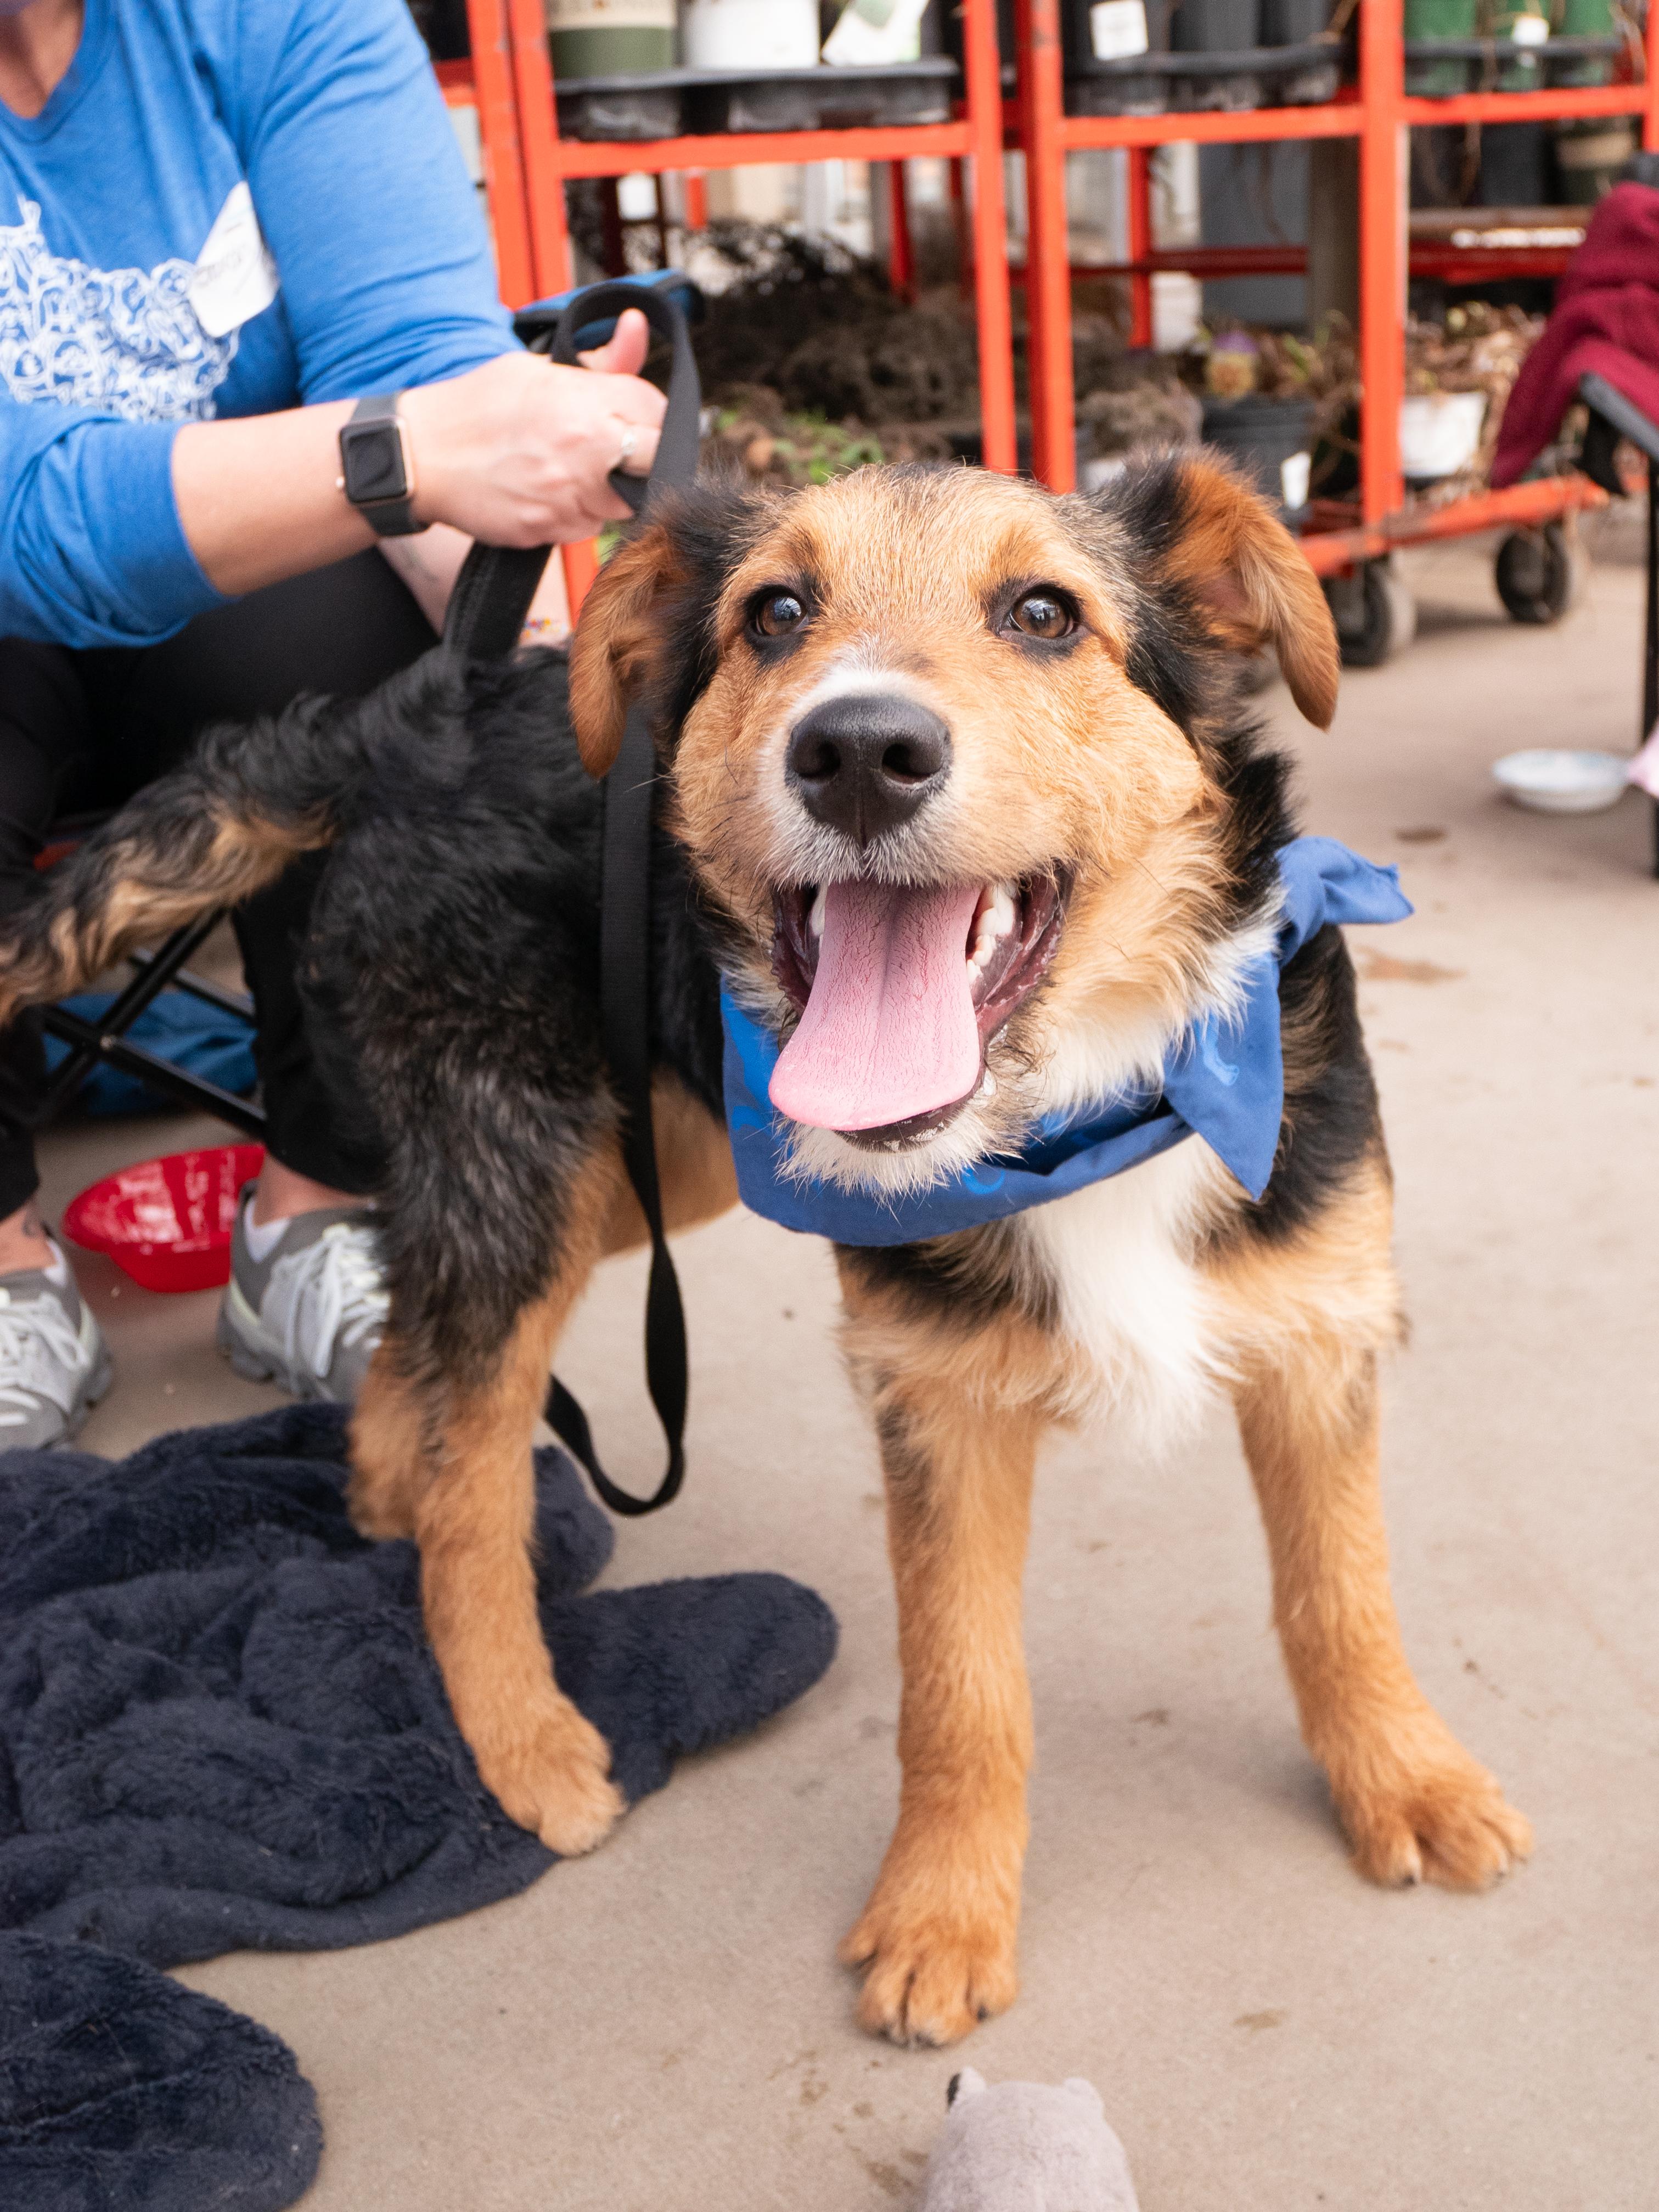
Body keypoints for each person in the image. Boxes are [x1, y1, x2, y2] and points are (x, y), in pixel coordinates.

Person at [0, 0, 665, 1444]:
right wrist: (399, 452)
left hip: (246, 605)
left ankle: (323, 1209)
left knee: (400, 679)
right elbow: (27, 510)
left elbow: (417, 363)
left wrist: (538, 698)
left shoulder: (282, 17)